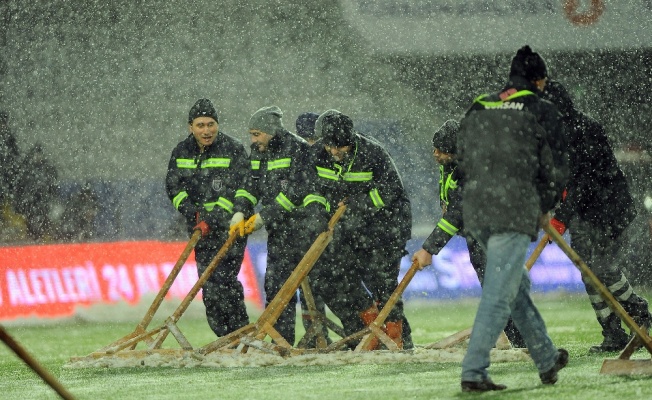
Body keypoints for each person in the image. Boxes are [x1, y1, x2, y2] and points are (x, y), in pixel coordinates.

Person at [456, 45, 568, 392]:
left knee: (513, 286)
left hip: (476, 210)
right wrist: (545, 206)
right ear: (540, 81)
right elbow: (553, 168)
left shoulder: (479, 104)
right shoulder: (542, 110)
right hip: (513, 210)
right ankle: (474, 370)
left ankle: (547, 358)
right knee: (499, 294)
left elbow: (461, 158)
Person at [542, 80, 652, 352]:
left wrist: (560, 219)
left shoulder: (584, 129)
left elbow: (582, 181)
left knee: (601, 268)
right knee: (587, 271)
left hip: (607, 210)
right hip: (582, 213)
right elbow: (559, 180)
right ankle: (612, 333)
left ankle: (639, 312)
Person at [411, 119, 526, 348]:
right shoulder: (453, 163)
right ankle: (519, 341)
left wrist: (428, 249)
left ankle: (525, 341)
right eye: (435, 148)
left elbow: (457, 213)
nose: (435, 154)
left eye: (441, 151)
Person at [311, 110, 414, 349]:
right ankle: (372, 331)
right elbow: (312, 189)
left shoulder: (373, 154)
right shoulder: (317, 153)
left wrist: (357, 206)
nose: (334, 152)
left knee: (384, 283)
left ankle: (398, 339)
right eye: (330, 147)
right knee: (340, 278)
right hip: (349, 229)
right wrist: (318, 214)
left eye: (340, 147)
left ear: (351, 140)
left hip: (386, 227)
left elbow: (391, 194)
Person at [231, 106, 329, 347]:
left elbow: (296, 191)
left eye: (257, 134)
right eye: (251, 134)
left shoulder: (298, 149)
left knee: (311, 293)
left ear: (271, 131)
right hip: (279, 233)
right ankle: (281, 342)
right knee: (277, 289)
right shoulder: (257, 152)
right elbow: (250, 186)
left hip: (304, 230)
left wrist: (264, 216)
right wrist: (241, 210)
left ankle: (316, 340)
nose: (253, 140)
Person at [166, 98, 252, 337]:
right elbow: (174, 187)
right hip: (199, 230)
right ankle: (225, 337)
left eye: (211, 124)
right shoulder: (181, 151)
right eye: (201, 125)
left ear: (217, 124)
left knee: (223, 281)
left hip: (230, 228)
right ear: (190, 127)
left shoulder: (233, 149)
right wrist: (193, 213)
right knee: (209, 286)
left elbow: (237, 188)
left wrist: (212, 218)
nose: (206, 130)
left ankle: (240, 334)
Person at [294, 111, 333, 347]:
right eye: (307, 140)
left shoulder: (330, 155)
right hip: (306, 231)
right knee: (308, 289)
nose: (311, 145)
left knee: (336, 285)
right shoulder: (301, 159)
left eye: (314, 140)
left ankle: (355, 331)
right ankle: (316, 336)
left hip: (331, 231)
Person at [15, 142, 60, 242]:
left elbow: (53, 188)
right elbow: (20, 189)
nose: (38, 157)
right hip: (31, 206)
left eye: (39, 154)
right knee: (32, 228)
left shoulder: (48, 170)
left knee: (42, 229)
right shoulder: (26, 170)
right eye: (36, 154)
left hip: (43, 205)